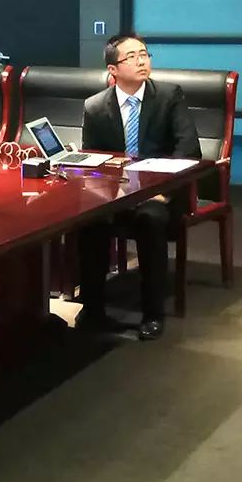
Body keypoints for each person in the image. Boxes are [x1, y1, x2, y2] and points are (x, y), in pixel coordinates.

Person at [76, 34, 200, 341]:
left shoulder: (169, 96)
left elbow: (189, 150)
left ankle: (153, 313)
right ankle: (92, 309)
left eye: (144, 54)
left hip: (161, 192)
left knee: (150, 218)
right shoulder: (95, 106)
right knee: (87, 221)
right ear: (113, 70)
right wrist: (109, 192)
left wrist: (162, 190)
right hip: (115, 194)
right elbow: (94, 160)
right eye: (131, 57)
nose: (141, 61)